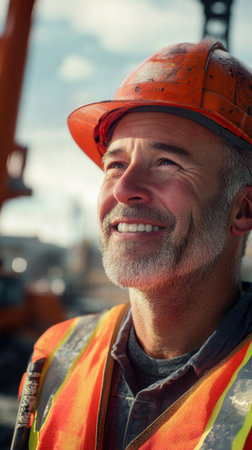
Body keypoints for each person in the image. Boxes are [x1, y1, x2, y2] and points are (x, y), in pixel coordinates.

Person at [11, 39, 252, 450]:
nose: (124, 189)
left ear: (243, 210)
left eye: (167, 163)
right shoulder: (54, 356)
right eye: (115, 165)